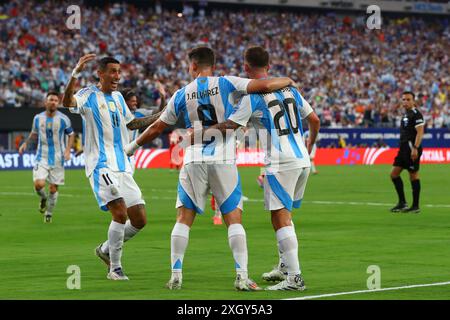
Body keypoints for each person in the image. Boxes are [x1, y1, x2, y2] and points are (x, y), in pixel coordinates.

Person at [125, 46, 296, 291]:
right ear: (212, 64)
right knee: (233, 218)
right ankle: (242, 276)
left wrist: (131, 148)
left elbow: (156, 128)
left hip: (193, 158)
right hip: (223, 157)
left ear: (193, 65)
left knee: (183, 219)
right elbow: (265, 86)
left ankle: (175, 275)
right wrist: (288, 80)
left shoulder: (182, 93)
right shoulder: (228, 82)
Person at [196, 46, 320, 291]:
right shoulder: (290, 90)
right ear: (269, 65)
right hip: (301, 159)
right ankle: (285, 266)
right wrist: (309, 145)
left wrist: (199, 134)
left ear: (245, 67)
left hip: (281, 162)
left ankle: (295, 278)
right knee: (286, 215)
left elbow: (231, 125)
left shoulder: (251, 98)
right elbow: (314, 120)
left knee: (280, 217)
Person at [62, 54, 162, 280]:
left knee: (139, 220)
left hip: (122, 165)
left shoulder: (118, 98)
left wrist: (162, 114)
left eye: (119, 71)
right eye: (112, 71)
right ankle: (115, 268)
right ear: (100, 73)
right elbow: (67, 102)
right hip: (100, 165)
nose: (117, 76)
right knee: (119, 213)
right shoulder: (87, 95)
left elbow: (133, 123)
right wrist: (75, 73)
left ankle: (105, 249)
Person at [19, 92, 75, 223]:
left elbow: (71, 134)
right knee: (39, 185)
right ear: (46, 102)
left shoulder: (63, 119)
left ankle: (49, 213)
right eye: (51, 100)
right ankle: (43, 198)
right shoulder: (38, 118)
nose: (53, 102)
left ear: (58, 103)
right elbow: (34, 133)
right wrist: (25, 143)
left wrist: (68, 151)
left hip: (58, 158)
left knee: (53, 188)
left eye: (56, 100)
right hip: (41, 157)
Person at [390, 91, 425, 214]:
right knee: (394, 174)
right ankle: (402, 203)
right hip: (403, 148)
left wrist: (415, 147)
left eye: (408, 99)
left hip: (411, 148)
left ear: (413, 101)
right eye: (404, 99)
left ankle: (415, 206)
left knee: (413, 175)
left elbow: (420, 132)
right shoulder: (406, 114)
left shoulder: (416, 114)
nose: (405, 102)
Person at [123, 84, 166, 174]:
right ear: (124, 102)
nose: (135, 103)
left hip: (130, 152)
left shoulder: (139, 112)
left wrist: (162, 98)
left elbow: (159, 112)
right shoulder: (118, 113)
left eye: (136, 101)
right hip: (119, 150)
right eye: (132, 101)